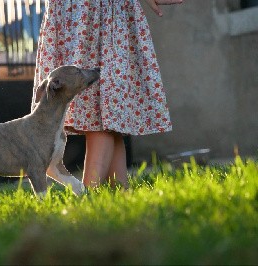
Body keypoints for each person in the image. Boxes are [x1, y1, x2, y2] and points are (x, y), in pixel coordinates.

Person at [32, 0, 183, 188]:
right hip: (80, 13)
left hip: (95, 11)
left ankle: (87, 200)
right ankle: (121, 197)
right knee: (105, 118)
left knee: (101, 115)